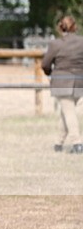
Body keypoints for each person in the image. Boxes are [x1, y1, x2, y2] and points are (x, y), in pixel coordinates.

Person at [42, 15, 83, 154]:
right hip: (80, 81)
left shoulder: (56, 44)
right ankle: (58, 143)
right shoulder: (82, 42)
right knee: (66, 112)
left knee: (68, 111)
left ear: (60, 28)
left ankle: (77, 143)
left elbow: (45, 64)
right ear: (75, 27)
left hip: (62, 81)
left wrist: (49, 73)